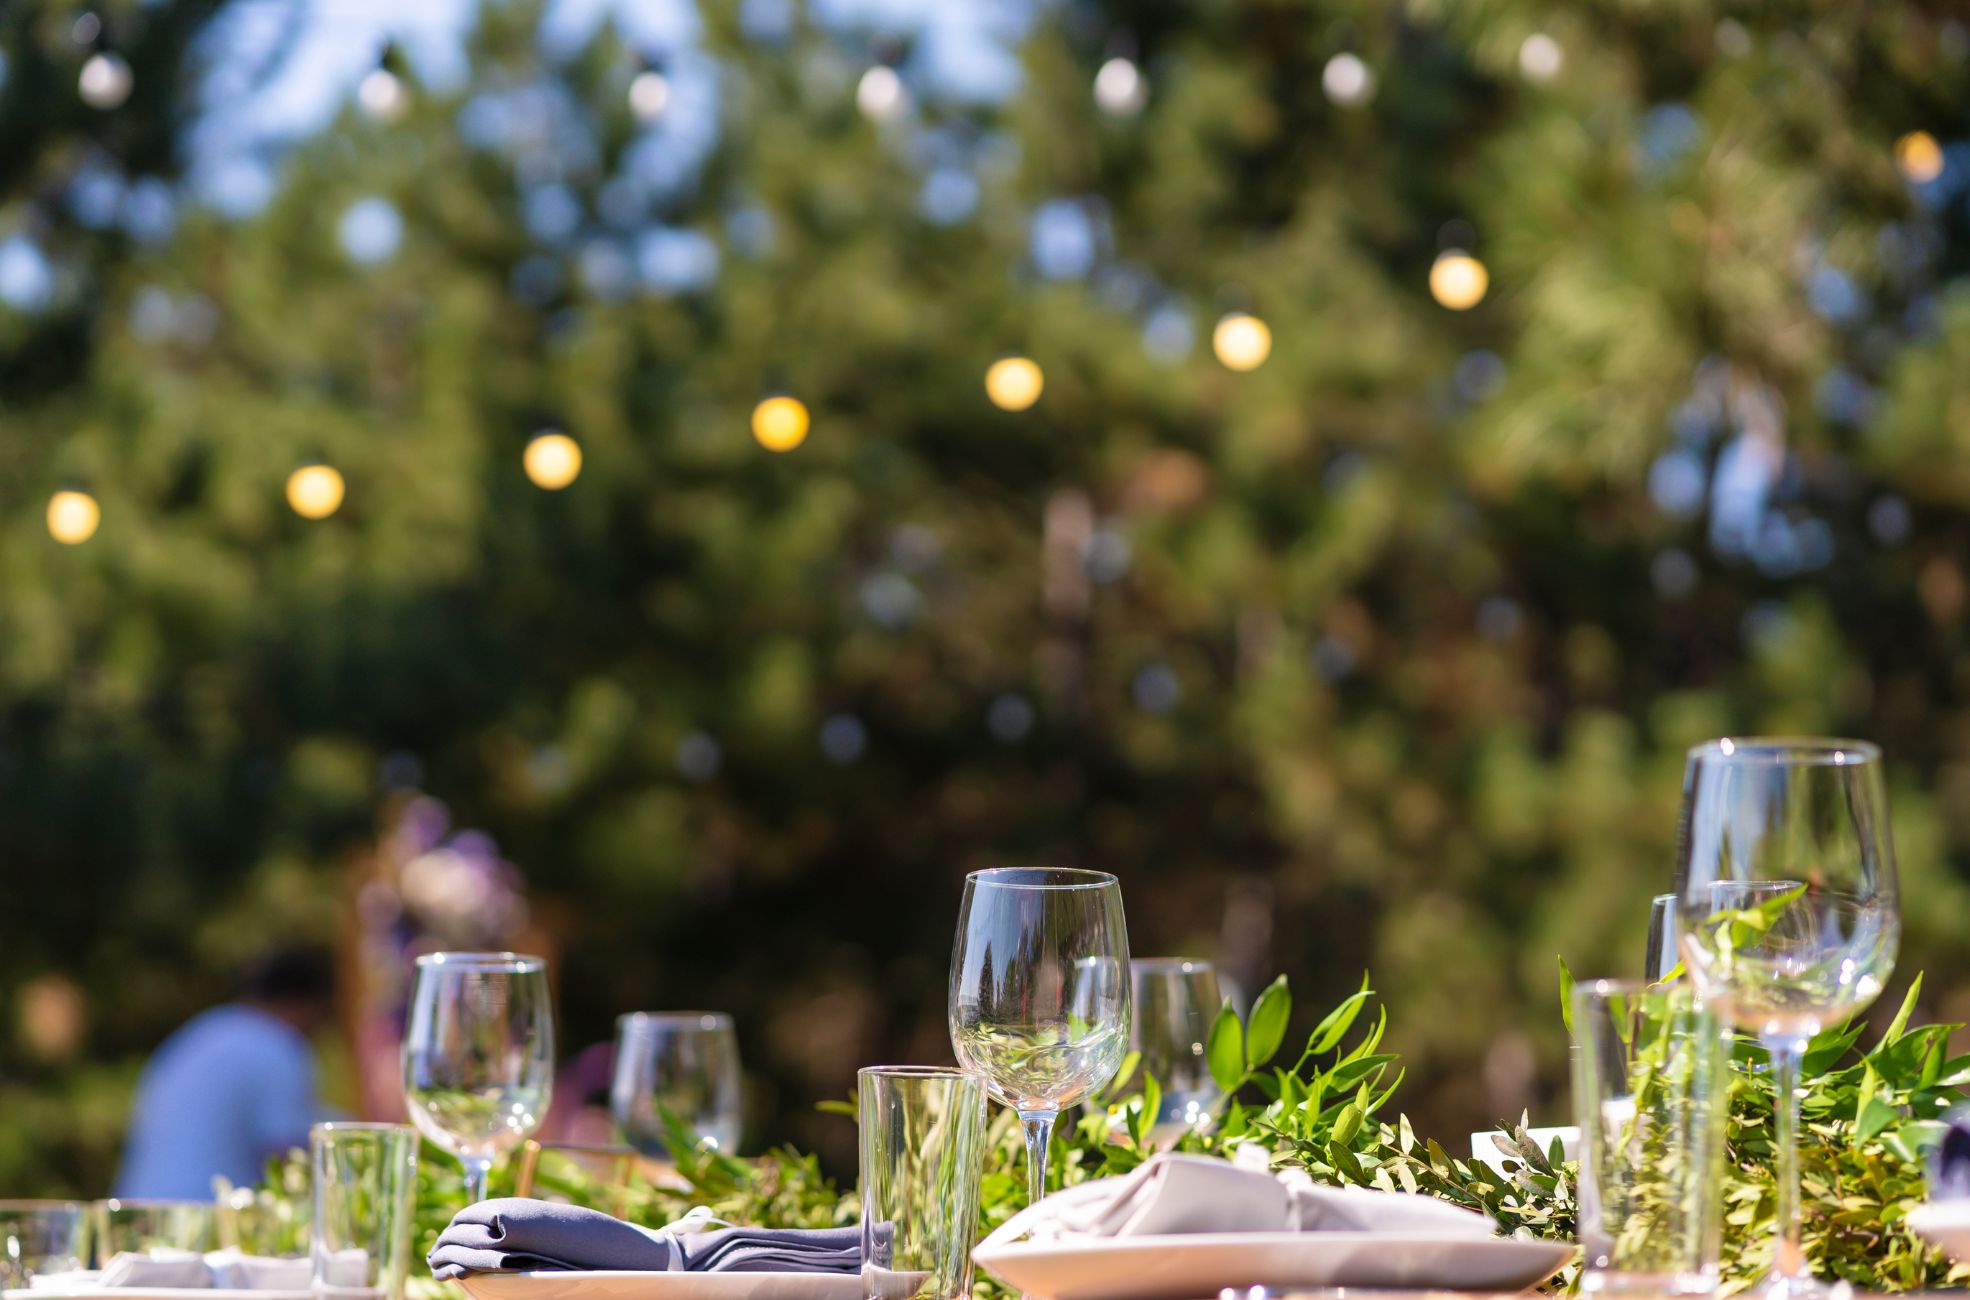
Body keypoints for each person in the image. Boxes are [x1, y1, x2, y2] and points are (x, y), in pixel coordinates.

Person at [115, 948, 334, 1198]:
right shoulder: (276, 1043)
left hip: (140, 1213)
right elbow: (295, 1159)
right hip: (204, 1221)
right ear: (304, 1003)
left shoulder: (206, 1031)